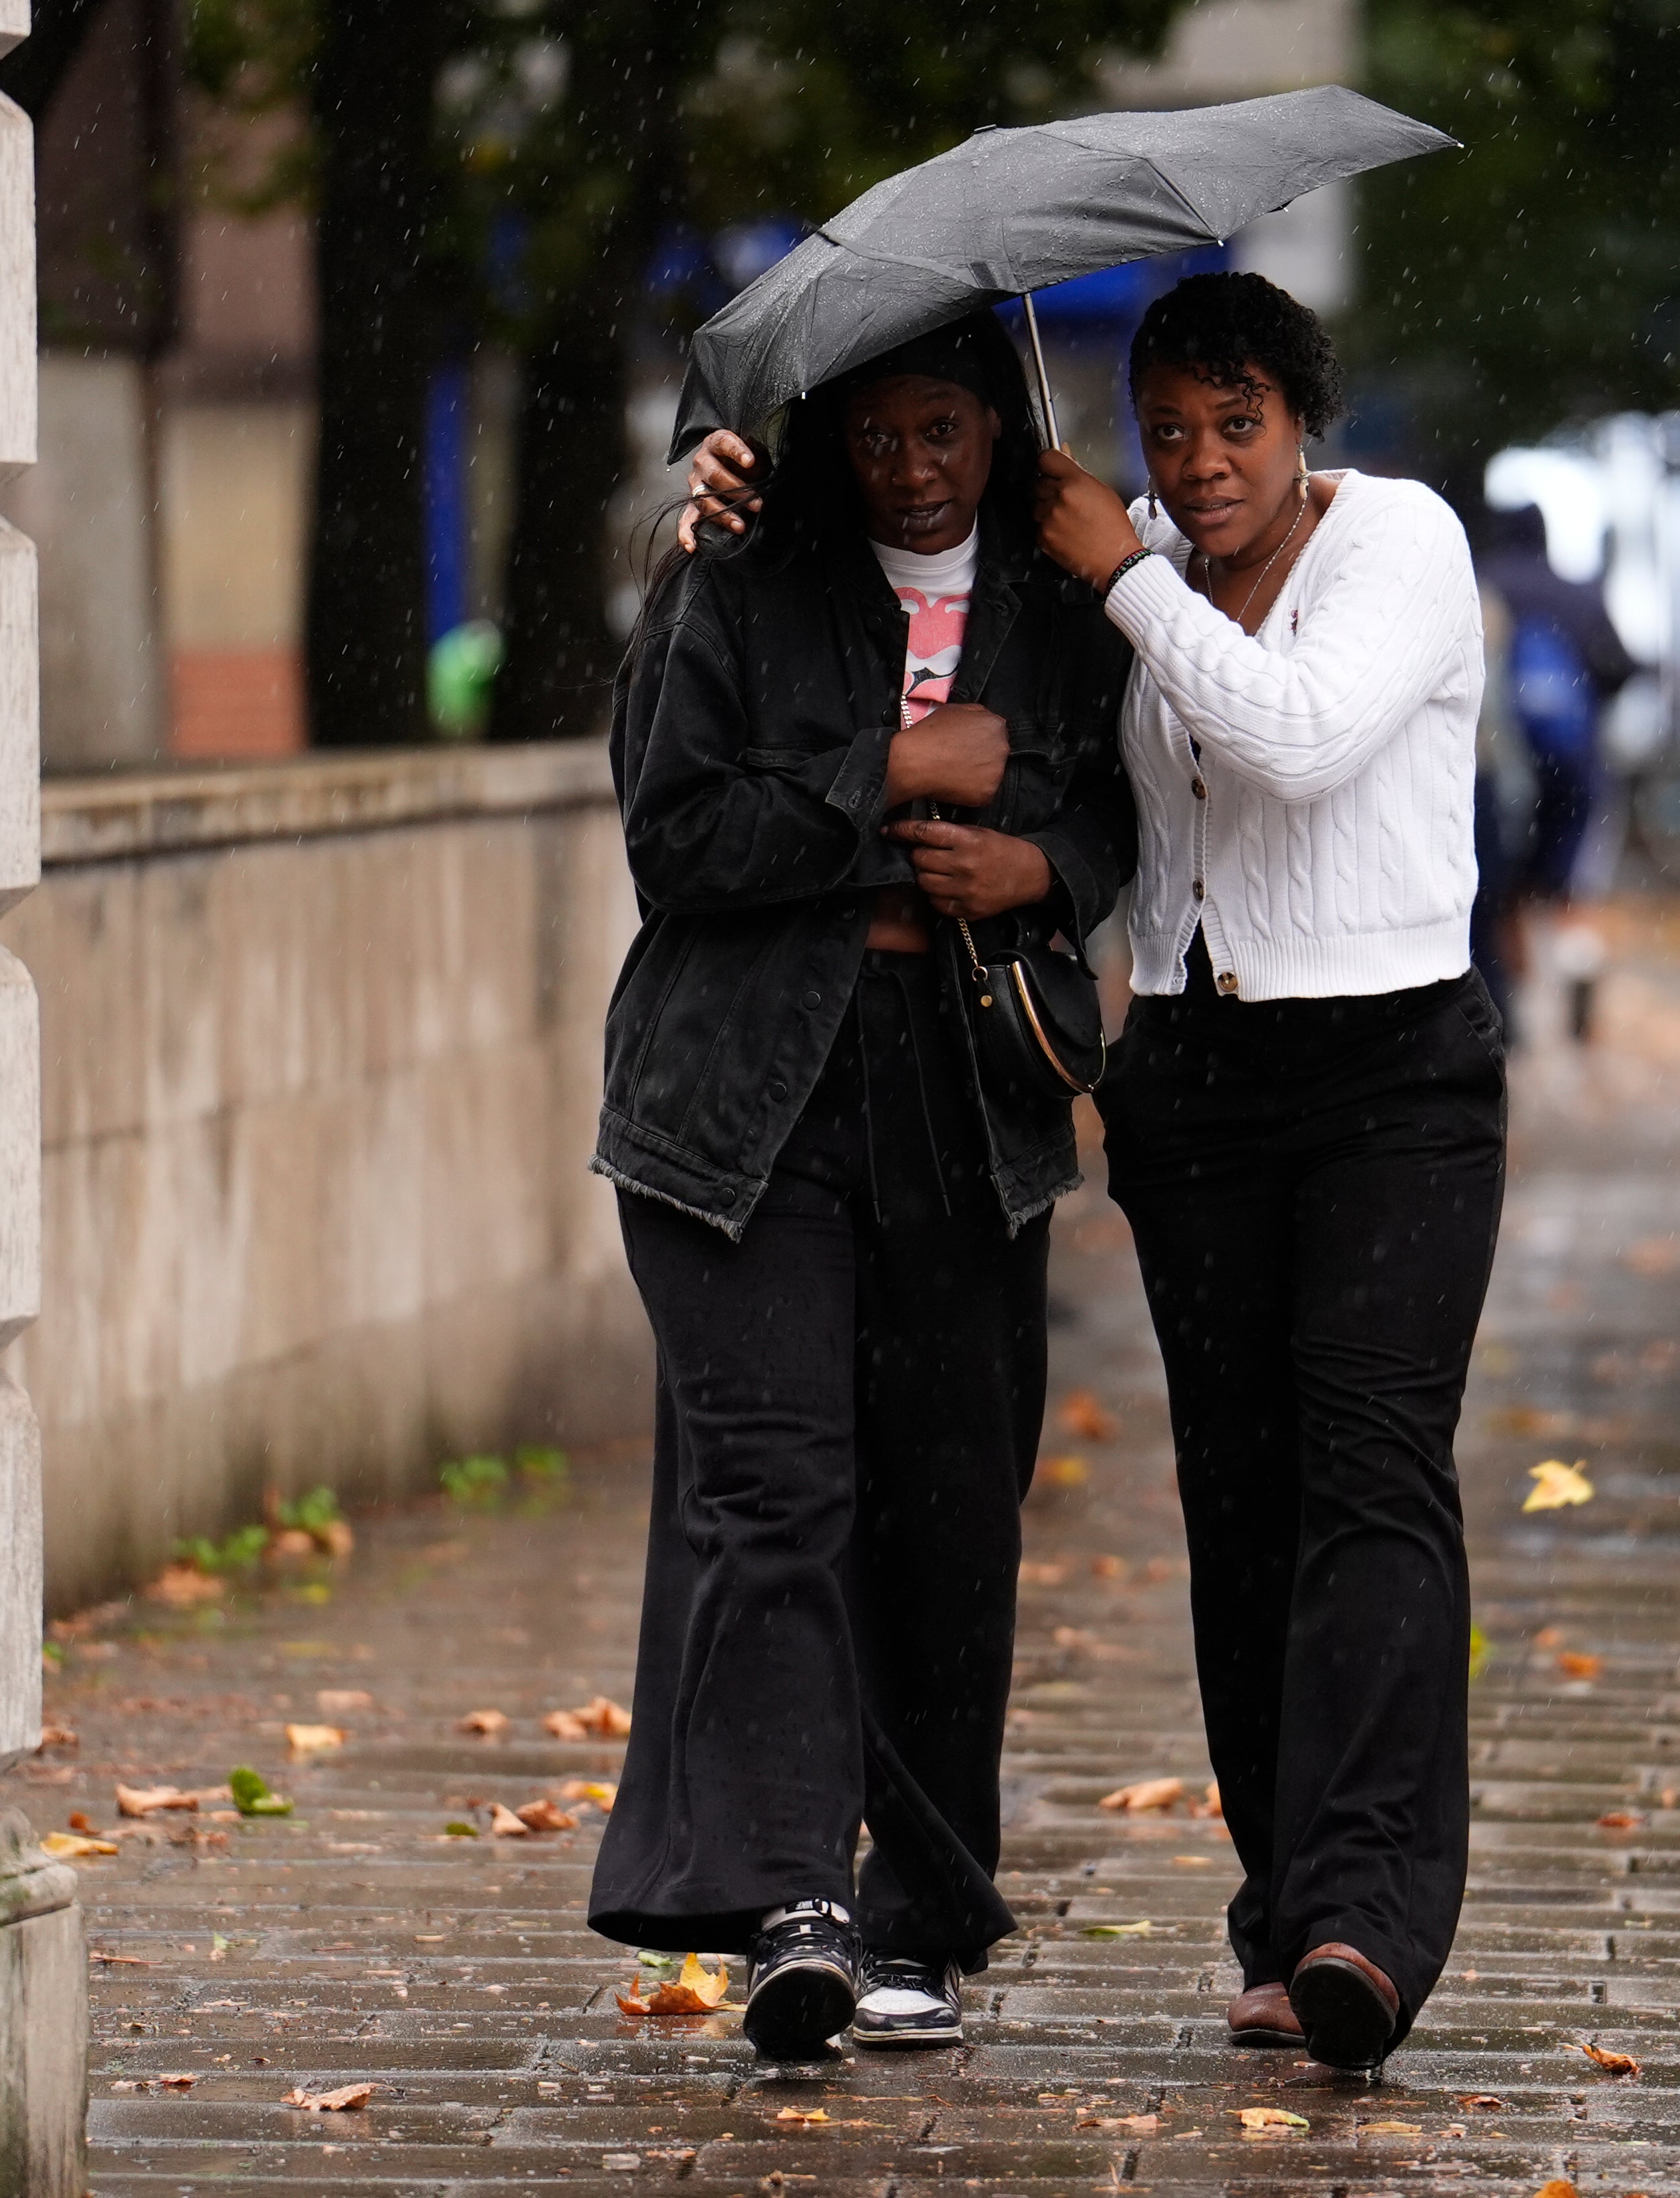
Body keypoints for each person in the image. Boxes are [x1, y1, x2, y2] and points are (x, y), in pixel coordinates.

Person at [594, 311, 1135, 2064]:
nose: (910, 470)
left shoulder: (1057, 600)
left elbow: (1119, 821)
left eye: (944, 433)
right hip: (742, 1094)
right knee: (778, 1493)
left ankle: (918, 1908)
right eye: (878, 435)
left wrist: (1033, 859)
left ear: (999, 426)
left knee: (951, 1506)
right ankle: (789, 1904)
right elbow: (674, 835)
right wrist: (889, 778)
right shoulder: (744, 565)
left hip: (961, 1097)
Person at [1033, 271, 1504, 2073]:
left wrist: (1127, 572)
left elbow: (1295, 740)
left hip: (1395, 1073)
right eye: (1168, 430)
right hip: (1203, 1079)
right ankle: (1280, 1899)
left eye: (1237, 423)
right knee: (1242, 1499)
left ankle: (1367, 1921)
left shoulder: (1398, 542)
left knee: (1373, 1476)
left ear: (1302, 419)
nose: (1200, 460)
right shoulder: (1124, 552)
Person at [1478, 500, 1637, 903]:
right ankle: (1569, 939)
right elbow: (1617, 665)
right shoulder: (1576, 593)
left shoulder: (1484, 586)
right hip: (1571, 753)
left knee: (1502, 862)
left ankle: (1512, 949)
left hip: (1502, 755)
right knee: (1568, 851)